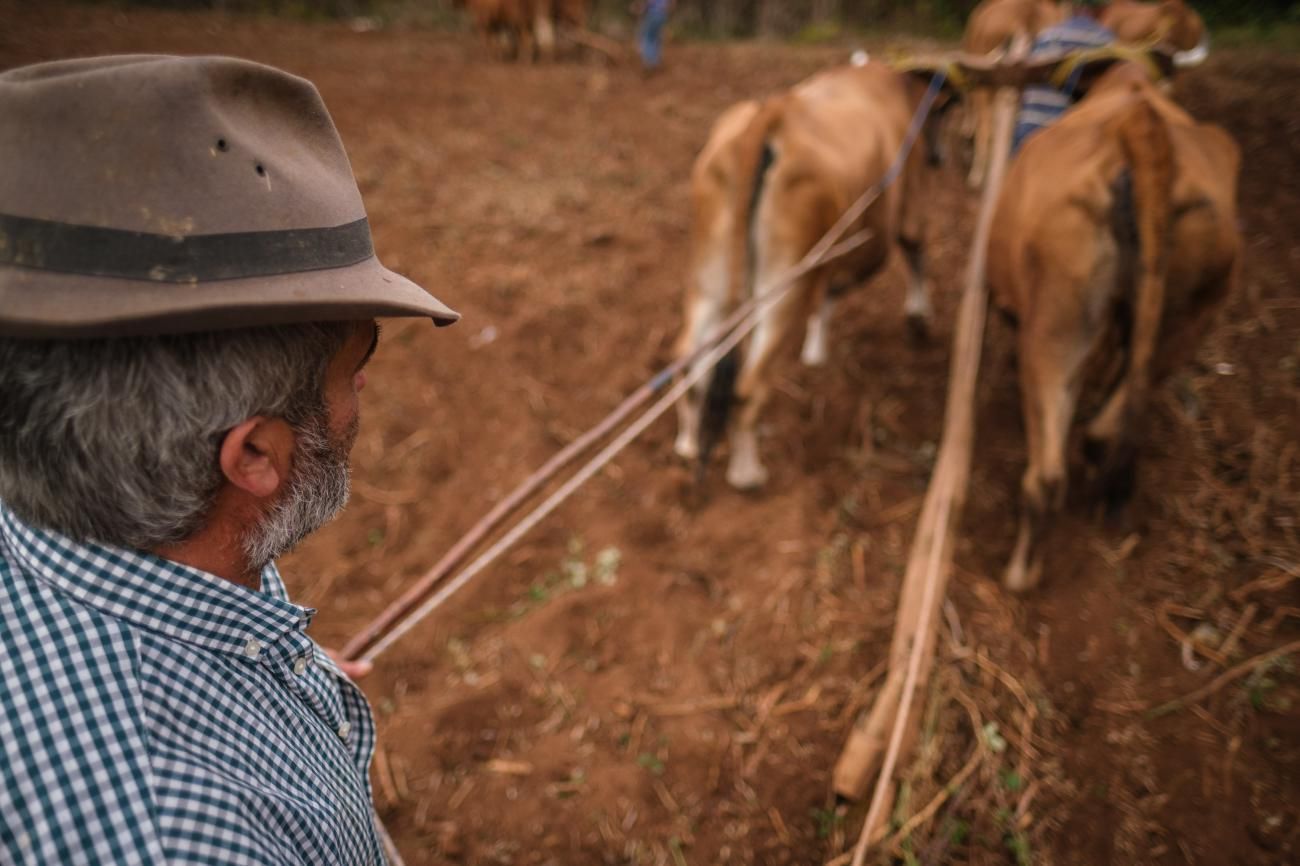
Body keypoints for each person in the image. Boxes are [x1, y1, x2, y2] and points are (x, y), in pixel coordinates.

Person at [0, 55, 458, 864]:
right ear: (253, 457)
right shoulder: (189, 834)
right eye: (355, 369)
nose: (359, 395)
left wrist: (268, 682)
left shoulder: (76, 528)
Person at [1012, 0, 1115, 151]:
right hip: (1075, 140)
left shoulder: (1048, 37)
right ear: (1103, 10)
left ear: (1072, 7)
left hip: (1029, 134)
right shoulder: (1107, 42)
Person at [635, 0, 673, 73]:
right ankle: (656, 61)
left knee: (647, 37)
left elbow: (647, 4)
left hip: (653, 14)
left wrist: (639, 8)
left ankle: (649, 62)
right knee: (655, 38)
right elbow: (670, 4)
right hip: (663, 15)